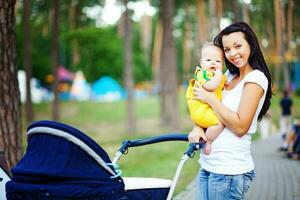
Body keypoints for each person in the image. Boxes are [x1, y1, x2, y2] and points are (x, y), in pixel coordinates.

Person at [188, 21, 272, 200]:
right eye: (227, 50)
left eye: (238, 46)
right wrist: (197, 127)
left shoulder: (256, 78)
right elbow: (206, 108)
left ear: (251, 43)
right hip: (208, 165)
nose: (232, 54)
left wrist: (210, 98)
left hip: (230, 172)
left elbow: (241, 126)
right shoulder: (228, 76)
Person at [186, 43, 226, 155]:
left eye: (218, 61)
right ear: (201, 63)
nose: (213, 63)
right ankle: (208, 140)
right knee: (219, 124)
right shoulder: (201, 74)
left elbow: (222, 86)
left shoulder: (218, 76)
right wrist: (219, 76)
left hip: (207, 110)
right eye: (208, 60)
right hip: (201, 111)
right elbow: (211, 86)